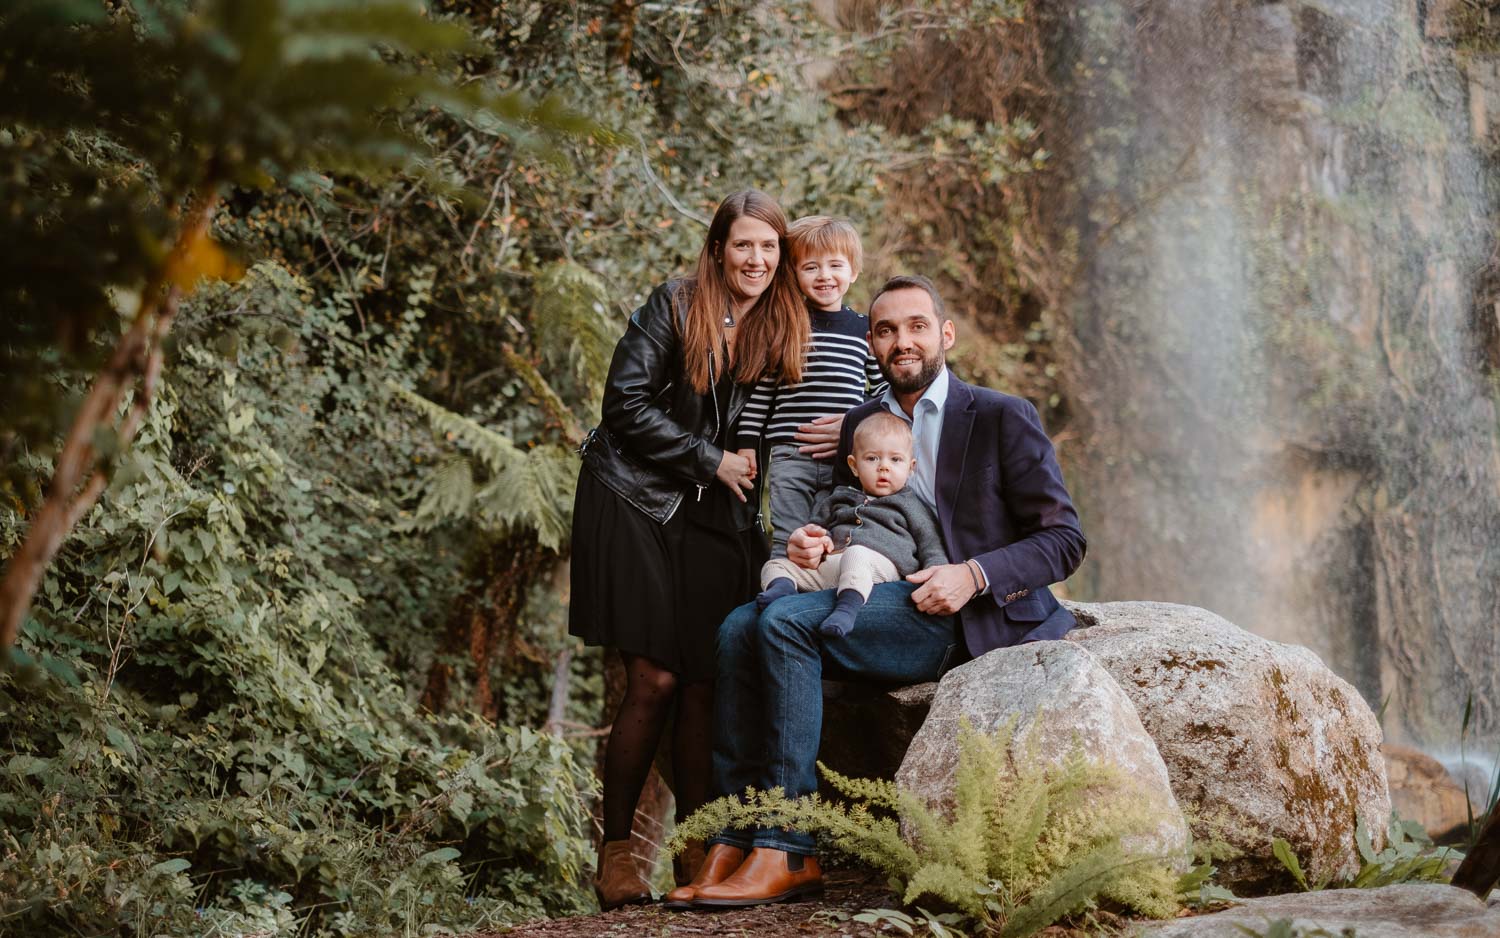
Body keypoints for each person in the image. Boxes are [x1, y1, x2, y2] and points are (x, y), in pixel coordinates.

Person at [667, 274, 1087, 909]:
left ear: (945, 334)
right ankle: (734, 832)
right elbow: (848, 515)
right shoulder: (862, 422)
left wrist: (971, 574)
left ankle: (788, 847)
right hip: (870, 592)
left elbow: (1064, 538)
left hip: (960, 611)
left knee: (784, 624)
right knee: (736, 627)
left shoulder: (1003, 415)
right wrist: (815, 547)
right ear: (871, 344)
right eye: (886, 330)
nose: (902, 341)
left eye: (917, 326)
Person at [569, 190, 808, 910]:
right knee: (656, 680)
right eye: (744, 246)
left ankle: (699, 848)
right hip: (634, 498)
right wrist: (710, 460)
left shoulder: (784, 321)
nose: (757, 260)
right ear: (717, 250)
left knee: (706, 677)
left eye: (769, 248)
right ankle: (617, 857)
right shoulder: (675, 303)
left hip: (713, 515)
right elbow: (625, 404)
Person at [732, 216, 885, 556]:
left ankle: (822, 602)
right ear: (796, 274)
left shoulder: (864, 330)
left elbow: (882, 393)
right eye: (811, 267)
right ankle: (779, 592)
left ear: (853, 271)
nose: (824, 276)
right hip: (791, 455)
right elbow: (762, 395)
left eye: (835, 265)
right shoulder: (786, 327)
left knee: (837, 540)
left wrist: (855, 424)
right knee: (789, 538)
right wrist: (746, 444)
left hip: (844, 460)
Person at [755, 410, 947, 638]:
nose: (883, 467)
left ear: (911, 467)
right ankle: (782, 591)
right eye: (872, 458)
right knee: (776, 563)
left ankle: (846, 610)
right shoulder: (838, 497)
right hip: (834, 567)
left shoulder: (910, 504)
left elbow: (931, 545)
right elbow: (817, 528)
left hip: (879, 568)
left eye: (895, 459)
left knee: (856, 554)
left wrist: (934, 574)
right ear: (854, 466)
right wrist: (815, 538)